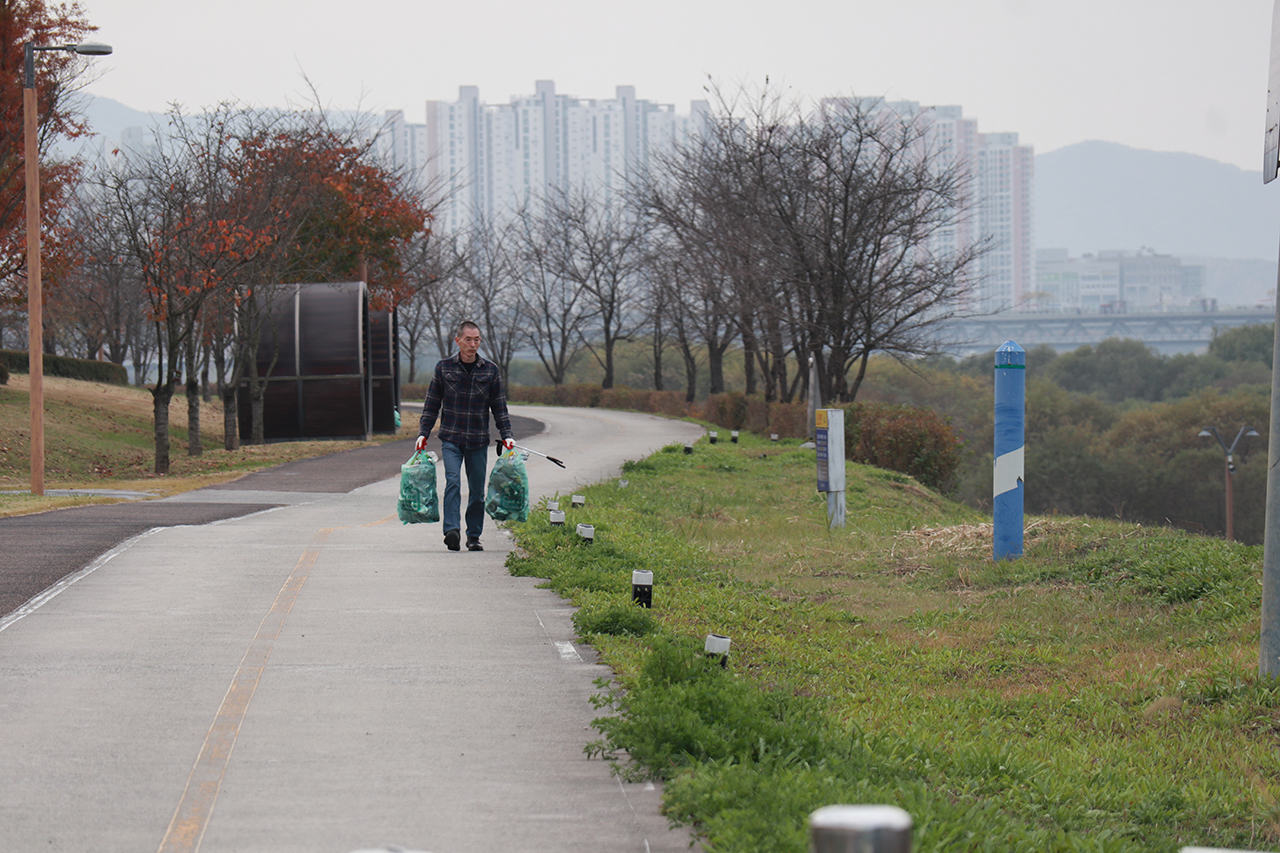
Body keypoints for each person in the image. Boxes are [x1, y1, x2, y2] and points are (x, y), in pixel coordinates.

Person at [416, 321, 514, 552]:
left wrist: (507, 435)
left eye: (477, 340)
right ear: (458, 340)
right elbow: (432, 404)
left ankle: (473, 536)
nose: (472, 344)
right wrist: (423, 433)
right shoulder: (444, 368)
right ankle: (452, 530)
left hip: (478, 440)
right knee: (453, 482)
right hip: (451, 438)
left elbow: (499, 407)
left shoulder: (490, 370)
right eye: (468, 340)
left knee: (477, 491)